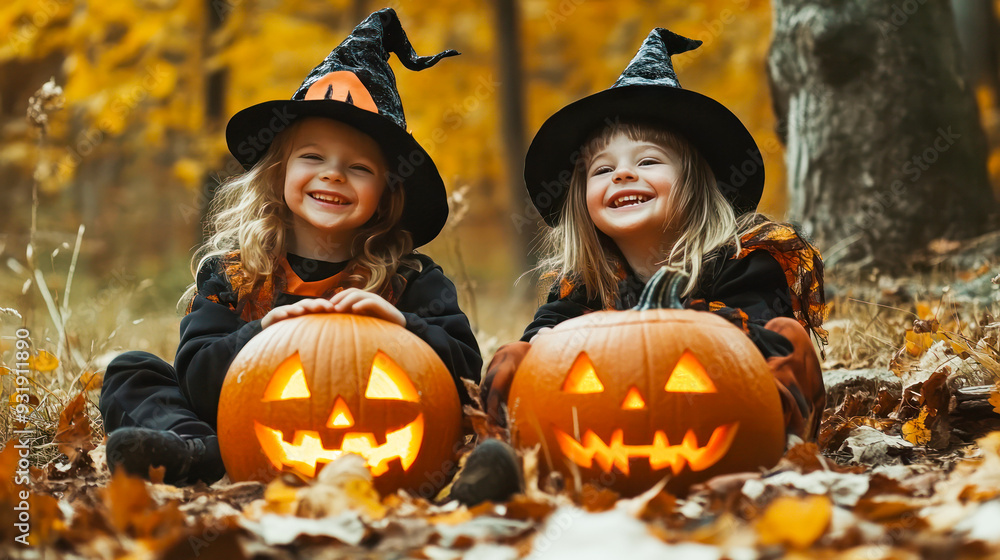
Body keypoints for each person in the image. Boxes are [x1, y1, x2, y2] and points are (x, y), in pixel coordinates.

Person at [99, 8, 481, 486]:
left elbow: (466, 381)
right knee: (132, 371)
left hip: (367, 437)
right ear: (278, 173)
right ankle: (200, 455)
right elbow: (197, 379)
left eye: (358, 167)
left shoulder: (412, 280)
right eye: (313, 157)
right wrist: (259, 334)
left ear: (388, 191)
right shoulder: (235, 272)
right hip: (238, 422)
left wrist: (403, 325)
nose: (333, 174)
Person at [454, 28, 827, 506]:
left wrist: (656, 317)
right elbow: (543, 341)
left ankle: (777, 459)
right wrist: (541, 346)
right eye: (603, 169)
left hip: (720, 417)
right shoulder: (586, 283)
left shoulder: (746, 260)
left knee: (789, 345)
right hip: (610, 434)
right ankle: (509, 461)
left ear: (694, 183)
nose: (624, 174)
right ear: (583, 199)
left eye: (648, 161)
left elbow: (750, 348)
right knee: (514, 358)